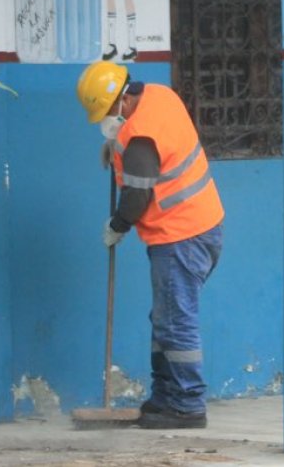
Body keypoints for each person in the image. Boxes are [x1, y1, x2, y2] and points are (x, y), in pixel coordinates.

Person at [76, 61, 225, 429]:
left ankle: (188, 404)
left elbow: (137, 198)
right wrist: (116, 148)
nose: (107, 120)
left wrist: (117, 225)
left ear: (123, 101)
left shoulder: (140, 136)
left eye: (109, 112)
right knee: (165, 319)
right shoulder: (160, 94)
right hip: (199, 226)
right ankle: (166, 397)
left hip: (180, 235)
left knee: (175, 322)